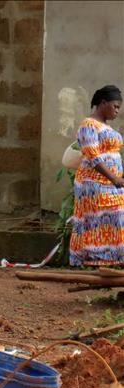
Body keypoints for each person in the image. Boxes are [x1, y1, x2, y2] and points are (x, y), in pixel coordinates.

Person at [70, 85, 123, 267]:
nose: (117, 111)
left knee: (115, 219)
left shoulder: (105, 127)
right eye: (115, 106)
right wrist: (113, 178)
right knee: (97, 219)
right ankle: (92, 259)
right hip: (93, 184)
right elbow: (92, 155)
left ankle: (112, 260)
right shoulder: (88, 125)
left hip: (110, 184)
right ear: (103, 103)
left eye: (119, 108)